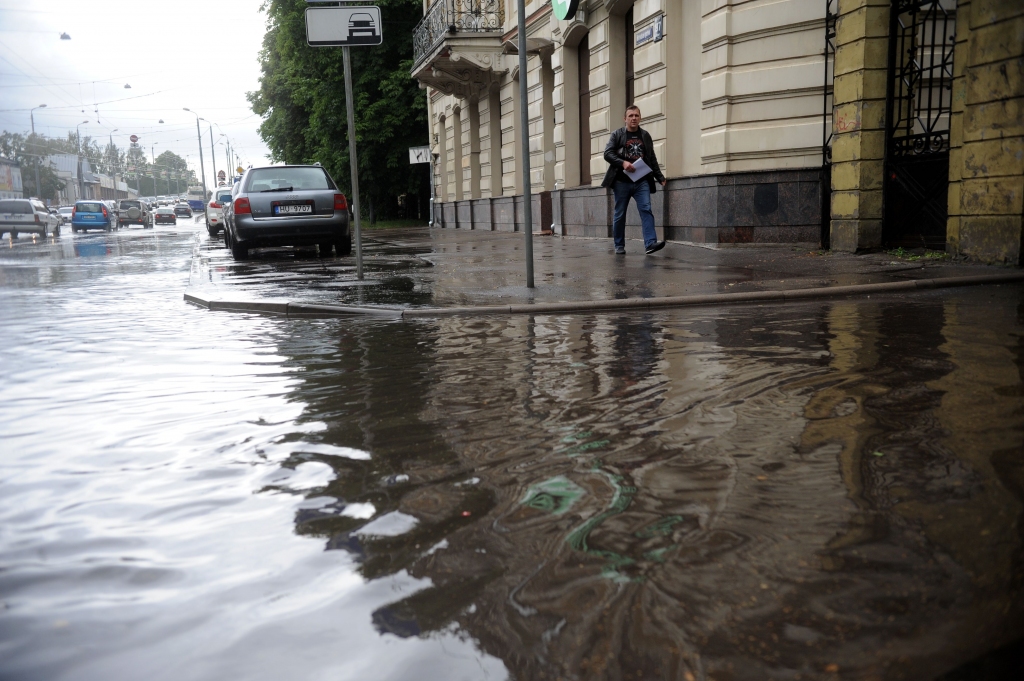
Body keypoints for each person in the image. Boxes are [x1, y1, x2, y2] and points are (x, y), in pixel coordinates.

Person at [602, 105, 667, 255]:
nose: (633, 118)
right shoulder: (617, 135)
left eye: (636, 115)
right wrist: (623, 163)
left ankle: (650, 243)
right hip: (621, 181)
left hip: (641, 181)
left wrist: (659, 176)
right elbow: (607, 153)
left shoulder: (645, 136)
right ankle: (619, 245)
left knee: (646, 209)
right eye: (630, 116)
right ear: (625, 119)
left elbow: (651, 158)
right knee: (620, 213)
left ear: (640, 117)